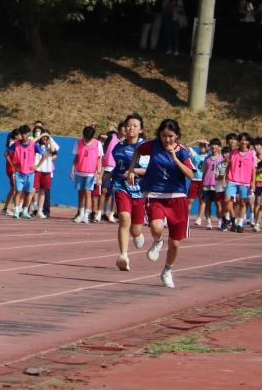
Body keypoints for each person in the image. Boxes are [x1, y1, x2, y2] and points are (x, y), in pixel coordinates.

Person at [127, 119, 195, 289]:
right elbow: (137, 150)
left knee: (175, 243)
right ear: (159, 135)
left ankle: (167, 270)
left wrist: (175, 158)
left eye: (171, 136)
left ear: (176, 136)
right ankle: (158, 241)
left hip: (177, 197)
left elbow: (191, 175)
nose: (167, 139)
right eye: (164, 136)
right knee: (156, 227)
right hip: (155, 194)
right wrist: (131, 169)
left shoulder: (182, 152)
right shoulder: (153, 145)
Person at [111, 114, 148, 271]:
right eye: (128, 125)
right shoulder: (118, 147)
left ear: (141, 130)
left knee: (135, 229)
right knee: (124, 218)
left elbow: (150, 171)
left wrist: (134, 171)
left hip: (139, 190)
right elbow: (117, 167)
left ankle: (138, 234)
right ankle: (123, 256)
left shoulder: (146, 149)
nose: (131, 128)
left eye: (134, 126)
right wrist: (107, 175)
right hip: (121, 186)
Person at [224, 132, 257, 232]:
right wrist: (225, 176)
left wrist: (253, 183)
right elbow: (229, 165)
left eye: (245, 140)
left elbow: (254, 169)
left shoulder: (252, 154)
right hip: (232, 180)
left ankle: (240, 224)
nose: (243, 142)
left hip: (245, 182)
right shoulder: (234, 152)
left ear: (248, 142)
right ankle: (232, 219)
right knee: (226, 200)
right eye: (242, 140)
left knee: (243, 203)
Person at [71, 126, 103, 223]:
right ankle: (80, 214)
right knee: (80, 193)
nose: (86, 139)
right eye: (85, 137)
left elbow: (99, 159)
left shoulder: (97, 144)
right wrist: (72, 169)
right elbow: (76, 157)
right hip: (79, 171)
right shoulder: (78, 142)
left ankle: (86, 214)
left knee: (88, 192)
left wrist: (98, 173)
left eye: (88, 138)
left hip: (91, 173)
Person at [7, 126, 37, 218]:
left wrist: (37, 165)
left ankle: (25, 211)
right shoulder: (16, 144)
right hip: (19, 172)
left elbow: (44, 154)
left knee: (28, 193)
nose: (23, 135)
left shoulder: (33, 144)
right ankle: (16, 211)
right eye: (21, 134)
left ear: (28, 134)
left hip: (30, 173)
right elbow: (6, 153)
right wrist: (13, 164)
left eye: (25, 133)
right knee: (18, 191)